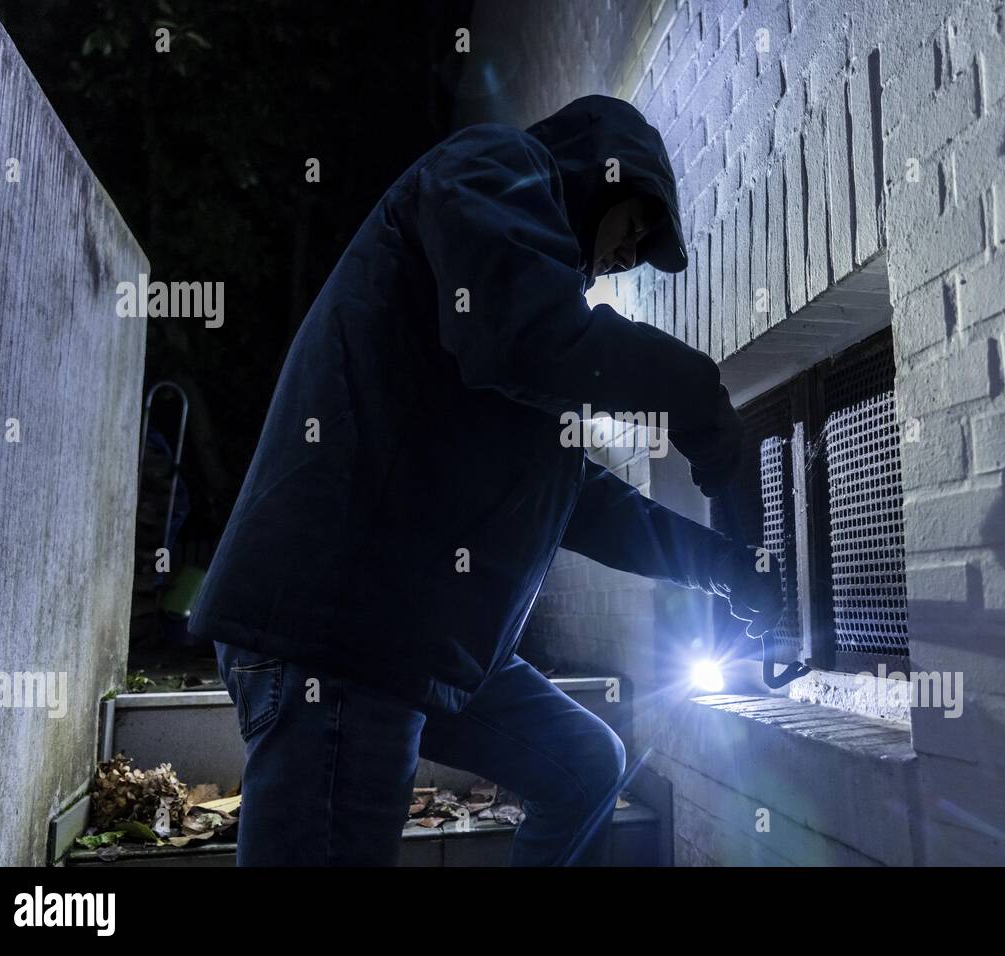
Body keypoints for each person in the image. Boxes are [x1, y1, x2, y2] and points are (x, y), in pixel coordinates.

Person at [190, 94, 784, 866]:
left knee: (584, 765)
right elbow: (519, 335)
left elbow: (581, 500)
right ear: (598, 173)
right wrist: (694, 394)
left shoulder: (525, 313)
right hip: (342, 630)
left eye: (643, 251)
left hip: (426, 639)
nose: (627, 255)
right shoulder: (493, 168)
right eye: (633, 227)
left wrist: (726, 569)